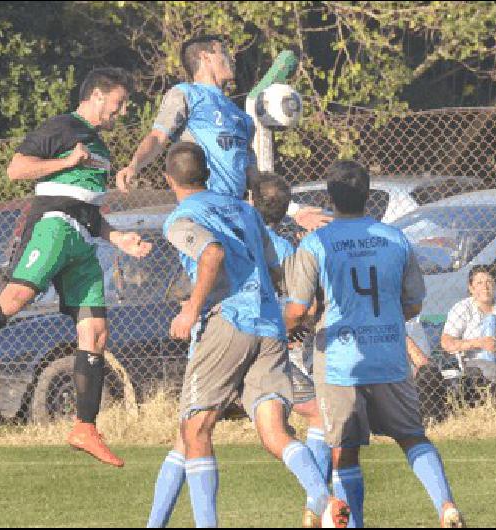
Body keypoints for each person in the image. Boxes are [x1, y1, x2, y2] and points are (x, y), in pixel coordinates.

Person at [0, 68, 153, 467]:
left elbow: (89, 208)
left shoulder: (100, 145)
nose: (124, 109)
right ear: (97, 95)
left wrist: (118, 238)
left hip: (82, 238)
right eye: (120, 101)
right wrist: (65, 159)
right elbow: (17, 169)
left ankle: (85, 427)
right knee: (15, 299)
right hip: (54, 227)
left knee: (95, 332)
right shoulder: (63, 127)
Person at [147, 142, 348, 529]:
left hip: (227, 323)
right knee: (272, 431)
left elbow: (212, 255)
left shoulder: (180, 217)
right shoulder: (245, 210)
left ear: (168, 178)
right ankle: (323, 500)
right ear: (206, 171)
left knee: (196, 429)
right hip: (269, 325)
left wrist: (190, 310)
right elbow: (274, 269)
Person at [284, 160, 463, 528]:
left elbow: (299, 306)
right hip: (388, 355)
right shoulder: (394, 238)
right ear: (368, 196)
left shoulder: (317, 242)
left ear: (329, 197)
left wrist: (288, 327)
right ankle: (445, 505)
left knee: (344, 454)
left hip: (340, 361)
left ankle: (353, 524)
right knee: (413, 437)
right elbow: (414, 302)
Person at [115, 35, 329, 230]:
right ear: (205, 57)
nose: (231, 58)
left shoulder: (241, 117)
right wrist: (134, 164)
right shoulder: (186, 94)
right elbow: (157, 137)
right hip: (203, 211)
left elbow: (254, 179)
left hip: (235, 213)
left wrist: (293, 210)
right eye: (224, 52)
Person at [252, 173, 334, 526]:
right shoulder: (286, 250)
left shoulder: (237, 235)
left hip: (224, 342)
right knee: (316, 416)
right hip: (268, 348)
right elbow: (307, 307)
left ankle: (317, 503)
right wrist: (293, 325)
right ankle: (316, 502)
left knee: (192, 436)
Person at [440, 266, 496, 403]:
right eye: (479, 283)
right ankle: (494, 406)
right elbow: (446, 342)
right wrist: (479, 343)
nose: (485, 287)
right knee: (491, 371)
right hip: (475, 359)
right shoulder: (462, 308)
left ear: (494, 285)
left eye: (489, 282)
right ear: (471, 288)